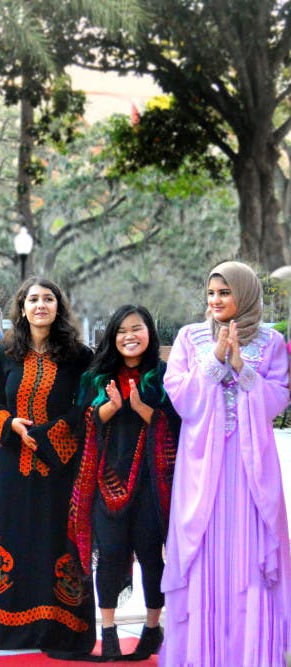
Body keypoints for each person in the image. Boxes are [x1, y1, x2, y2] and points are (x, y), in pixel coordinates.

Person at [161, 261, 291, 667]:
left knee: (250, 556)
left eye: (225, 292)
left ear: (244, 294)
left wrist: (241, 367)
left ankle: (251, 654)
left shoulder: (271, 341)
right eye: (211, 293)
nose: (216, 300)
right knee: (204, 550)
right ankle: (204, 654)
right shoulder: (190, 337)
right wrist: (216, 358)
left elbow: (277, 400)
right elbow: (181, 399)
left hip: (251, 467)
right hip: (203, 465)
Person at [0, 276, 94, 655]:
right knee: (15, 540)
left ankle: (59, 629)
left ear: (58, 307)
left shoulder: (78, 355)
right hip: (13, 468)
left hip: (60, 469)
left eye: (48, 299)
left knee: (56, 541)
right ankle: (14, 629)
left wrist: (48, 436)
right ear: (22, 308)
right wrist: (10, 425)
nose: (40, 305)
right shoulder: (7, 352)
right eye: (33, 299)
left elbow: (86, 406)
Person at [68, 305, 179, 659]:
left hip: (151, 484)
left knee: (151, 555)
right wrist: (110, 408)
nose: (129, 336)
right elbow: (80, 423)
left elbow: (180, 424)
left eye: (136, 328)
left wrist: (143, 409)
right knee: (111, 555)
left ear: (150, 333)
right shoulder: (97, 376)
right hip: (107, 480)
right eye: (121, 330)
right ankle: (109, 632)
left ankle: (152, 629)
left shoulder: (165, 375)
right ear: (112, 336)